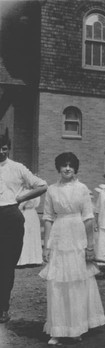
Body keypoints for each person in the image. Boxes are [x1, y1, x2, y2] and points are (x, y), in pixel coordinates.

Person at [40, 152, 105, 345]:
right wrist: (46, 246)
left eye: (70, 165)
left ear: (75, 168)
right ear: (58, 168)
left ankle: (76, 327)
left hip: (78, 236)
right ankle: (58, 329)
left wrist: (90, 246)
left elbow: (88, 218)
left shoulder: (82, 189)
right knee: (58, 282)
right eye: (63, 165)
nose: (67, 168)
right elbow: (47, 218)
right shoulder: (51, 190)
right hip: (59, 237)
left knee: (77, 281)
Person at [0, 134, 47, 323]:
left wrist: (20, 199)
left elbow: (42, 185)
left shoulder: (17, 168)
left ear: (8, 148)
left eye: (4, 147)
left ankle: (3, 308)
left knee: (6, 266)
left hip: (11, 216)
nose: (1, 151)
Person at [17, 192, 42, 266]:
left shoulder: (25, 192)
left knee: (26, 236)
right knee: (30, 236)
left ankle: (25, 260)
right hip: (32, 214)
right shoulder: (36, 191)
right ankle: (33, 259)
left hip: (26, 214)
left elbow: (20, 205)